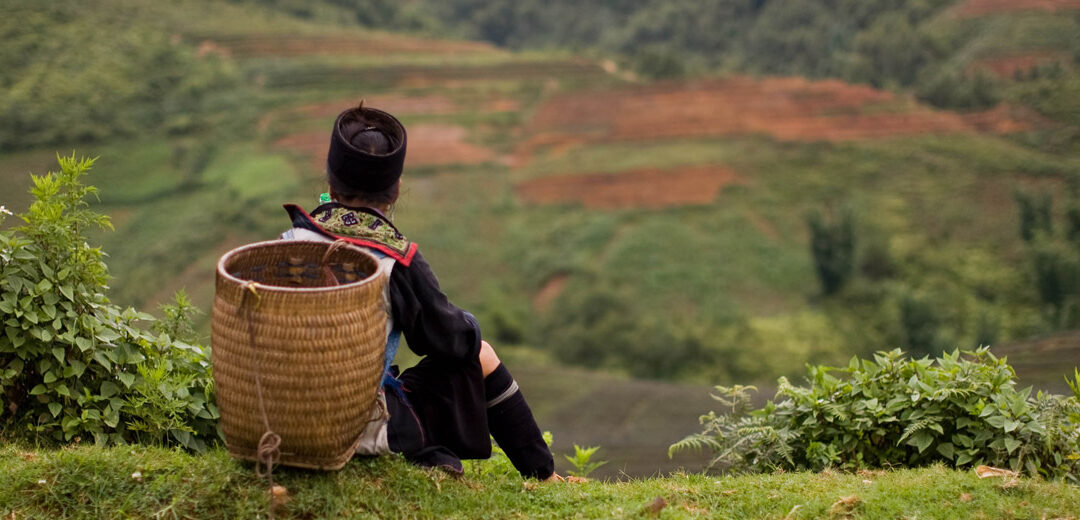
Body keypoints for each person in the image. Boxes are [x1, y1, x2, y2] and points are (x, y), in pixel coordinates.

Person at [281, 104, 561, 480]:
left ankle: (432, 454)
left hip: (276, 419)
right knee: (479, 353)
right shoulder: (395, 261)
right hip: (351, 430)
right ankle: (542, 473)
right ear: (395, 191)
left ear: (330, 183)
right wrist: (465, 323)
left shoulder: (287, 242)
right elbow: (453, 343)